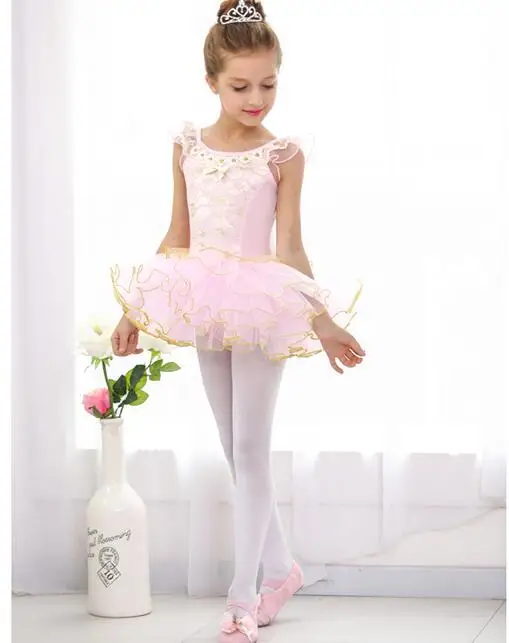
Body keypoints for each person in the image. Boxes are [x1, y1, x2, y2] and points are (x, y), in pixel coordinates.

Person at [110, 1, 366, 640]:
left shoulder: (282, 154)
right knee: (233, 447)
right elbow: (177, 233)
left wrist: (323, 321)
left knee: (251, 450)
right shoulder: (186, 146)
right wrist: (132, 309)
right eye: (241, 86)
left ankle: (243, 597)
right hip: (202, 298)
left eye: (268, 84)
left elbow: (291, 247)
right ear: (212, 82)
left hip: (261, 306)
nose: (256, 99)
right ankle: (282, 570)